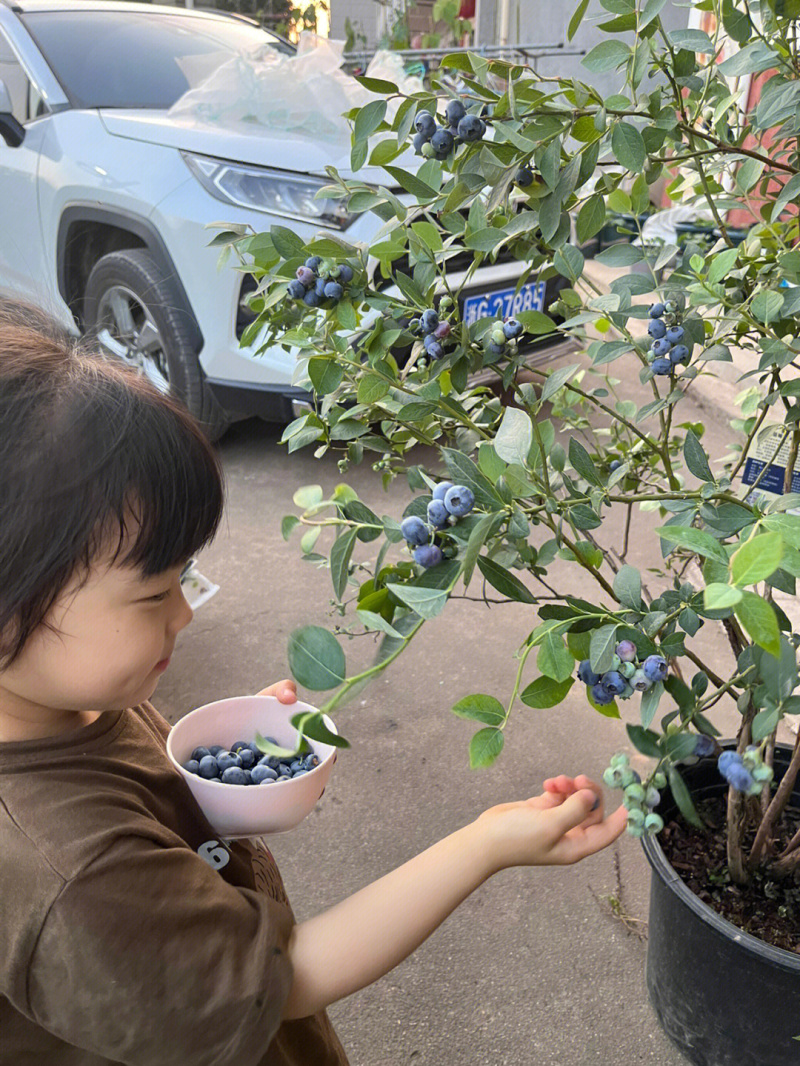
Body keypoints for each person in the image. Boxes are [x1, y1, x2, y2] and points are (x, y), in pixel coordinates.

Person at [0, 301, 627, 1066]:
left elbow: (139, 800)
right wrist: (486, 843)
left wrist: (221, 786)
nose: (184, 616)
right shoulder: (72, 875)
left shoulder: (67, 698)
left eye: (183, 579)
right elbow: (288, 979)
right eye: (152, 592)